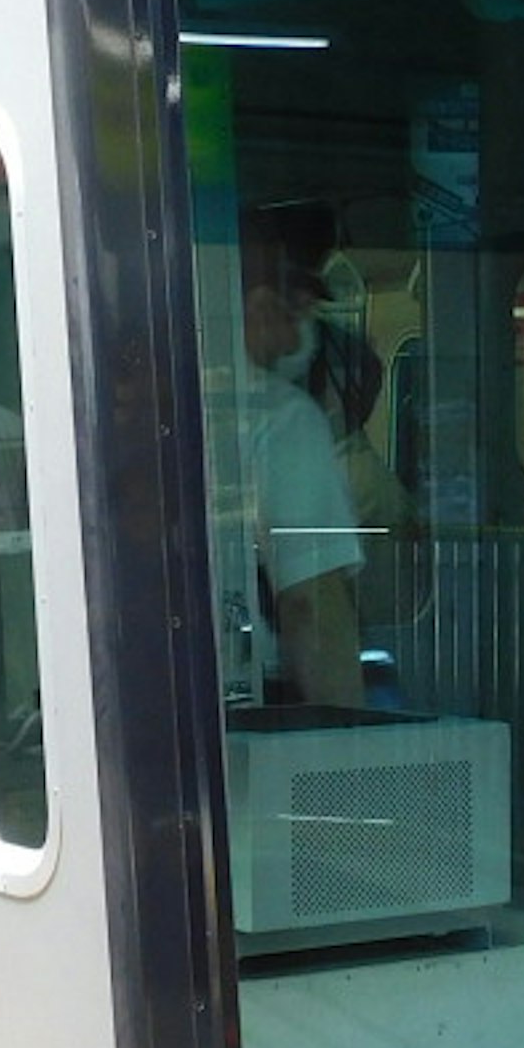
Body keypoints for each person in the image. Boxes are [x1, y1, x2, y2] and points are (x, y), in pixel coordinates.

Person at [236, 200, 368, 707]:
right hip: (262, 703)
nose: (300, 338)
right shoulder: (284, 418)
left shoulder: (160, 406)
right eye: (301, 314)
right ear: (263, 307)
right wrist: (347, 748)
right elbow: (311, 606)